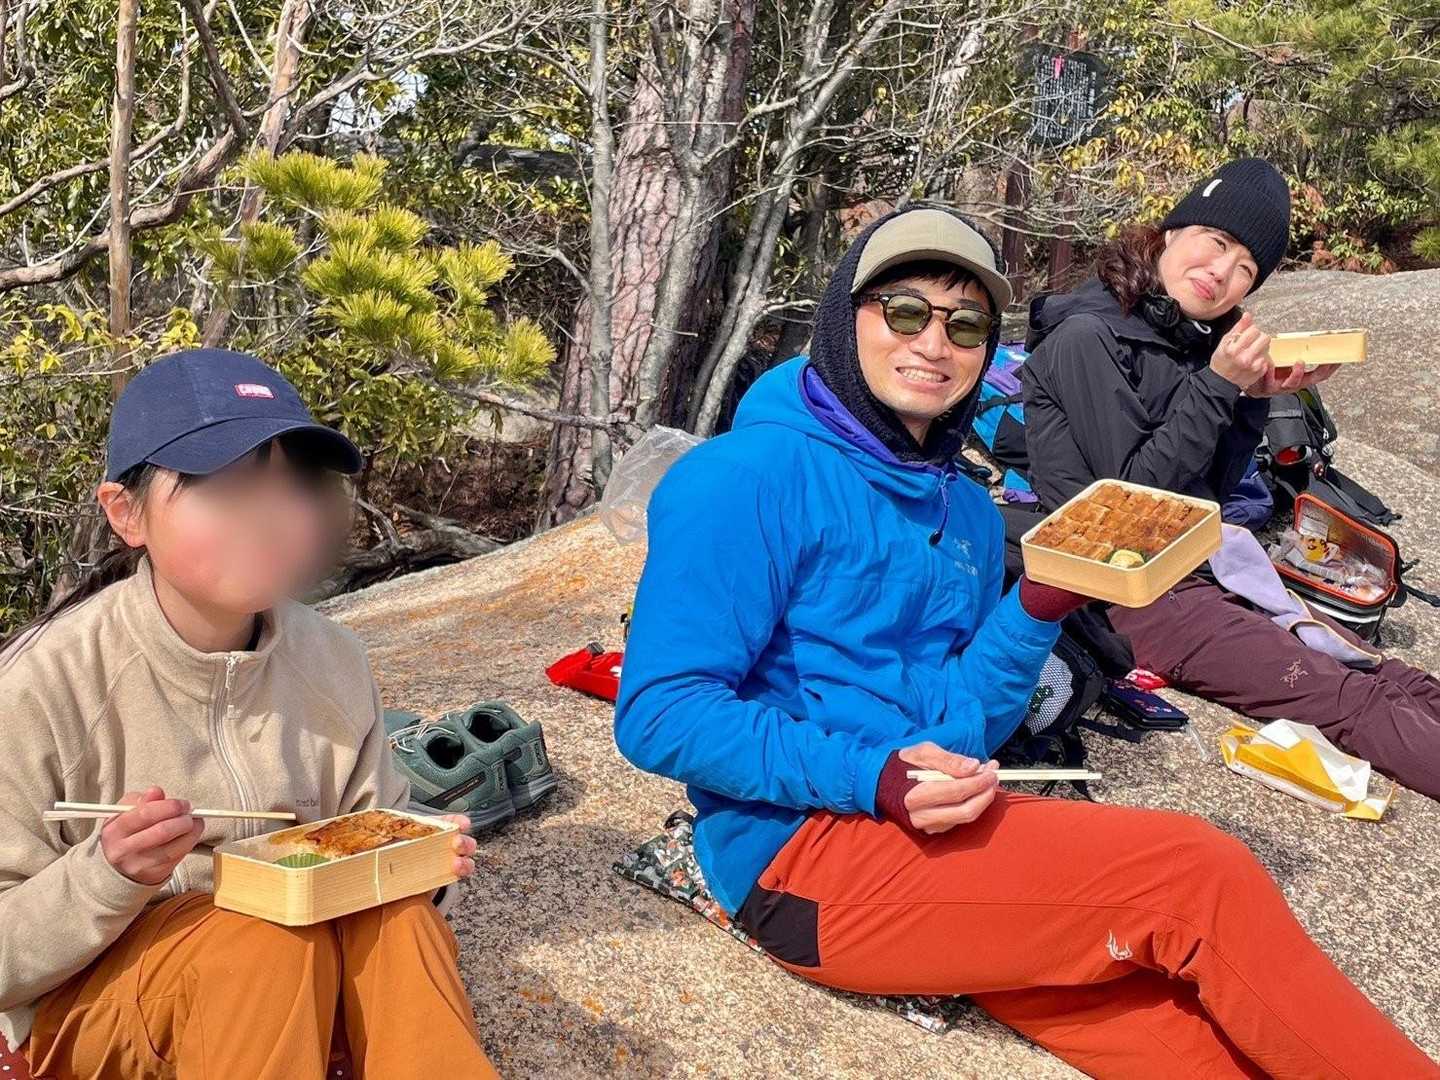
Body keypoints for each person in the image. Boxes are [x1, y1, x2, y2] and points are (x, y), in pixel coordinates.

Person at [614, 203, 1438, 1078]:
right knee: (1196, 878)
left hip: (934, 829)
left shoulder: (965, 509)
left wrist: (1038, 604)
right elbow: (660, 714)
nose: (934, 344)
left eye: (966, 325)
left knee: (1179, 1027)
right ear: (843, 317)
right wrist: (872, 776)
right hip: (805, 857)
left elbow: (971, 721)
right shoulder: (743, 477)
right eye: (904, 312)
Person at [0, 350, 500, 1079]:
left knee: (402, 919)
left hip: (300, 971)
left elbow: (375, 843)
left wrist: (423, 861)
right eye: (228, 486)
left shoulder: (332, 659)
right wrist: (108, 873)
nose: (271, 518)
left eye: (293, 486)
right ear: (126, 513)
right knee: (262, 939)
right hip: (102, 996)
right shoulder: (40, 685)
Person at [1022, 157, 1440, 801]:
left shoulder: (1186, 337)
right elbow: (1130, 513)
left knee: (1383, 672)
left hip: (1196, 570)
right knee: (1346, 698)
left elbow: (1205, 498)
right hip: (1118, 597)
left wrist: (1251, 398)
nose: (1222, 272)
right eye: (1215, 242)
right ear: (1171, 232)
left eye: (1246, 267)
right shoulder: (1087, 335)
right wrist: (1220, 385)